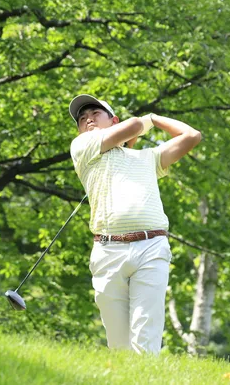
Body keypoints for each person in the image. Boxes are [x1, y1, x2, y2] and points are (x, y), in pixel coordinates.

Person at [68, 94, 202, 354]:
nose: (88, 120)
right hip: (108, 250)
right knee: (119, 344)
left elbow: (192, 136)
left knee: (146, 338)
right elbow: (133, 126)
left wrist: (153, 118)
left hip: (152, 246)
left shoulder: (148, 158)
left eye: (95, 114)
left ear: (113, 121)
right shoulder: (82, 146)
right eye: (82, 118)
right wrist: (143, 123)